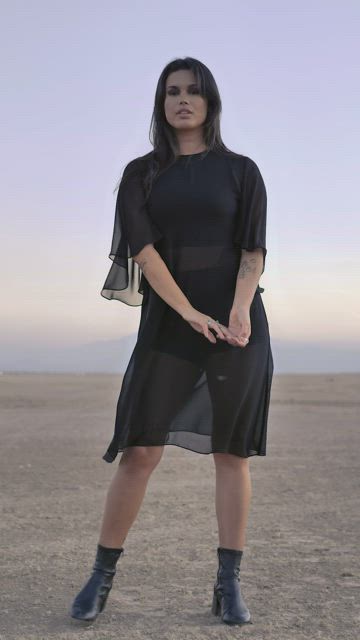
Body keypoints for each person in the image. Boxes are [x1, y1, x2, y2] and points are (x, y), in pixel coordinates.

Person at [70, 56, 274, 627]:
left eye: (193, 91)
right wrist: (187, 312)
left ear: (210, 101)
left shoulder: (241, 170)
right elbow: (144, 251)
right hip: (170, 322)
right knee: (140, 450)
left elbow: (252, 249)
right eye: (171, 93)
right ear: (161, 105)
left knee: (232, 454)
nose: (182, 100)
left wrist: (237, 311)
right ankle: (100, 576)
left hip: (237, 326)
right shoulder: (141, 174)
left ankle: (227, 583)